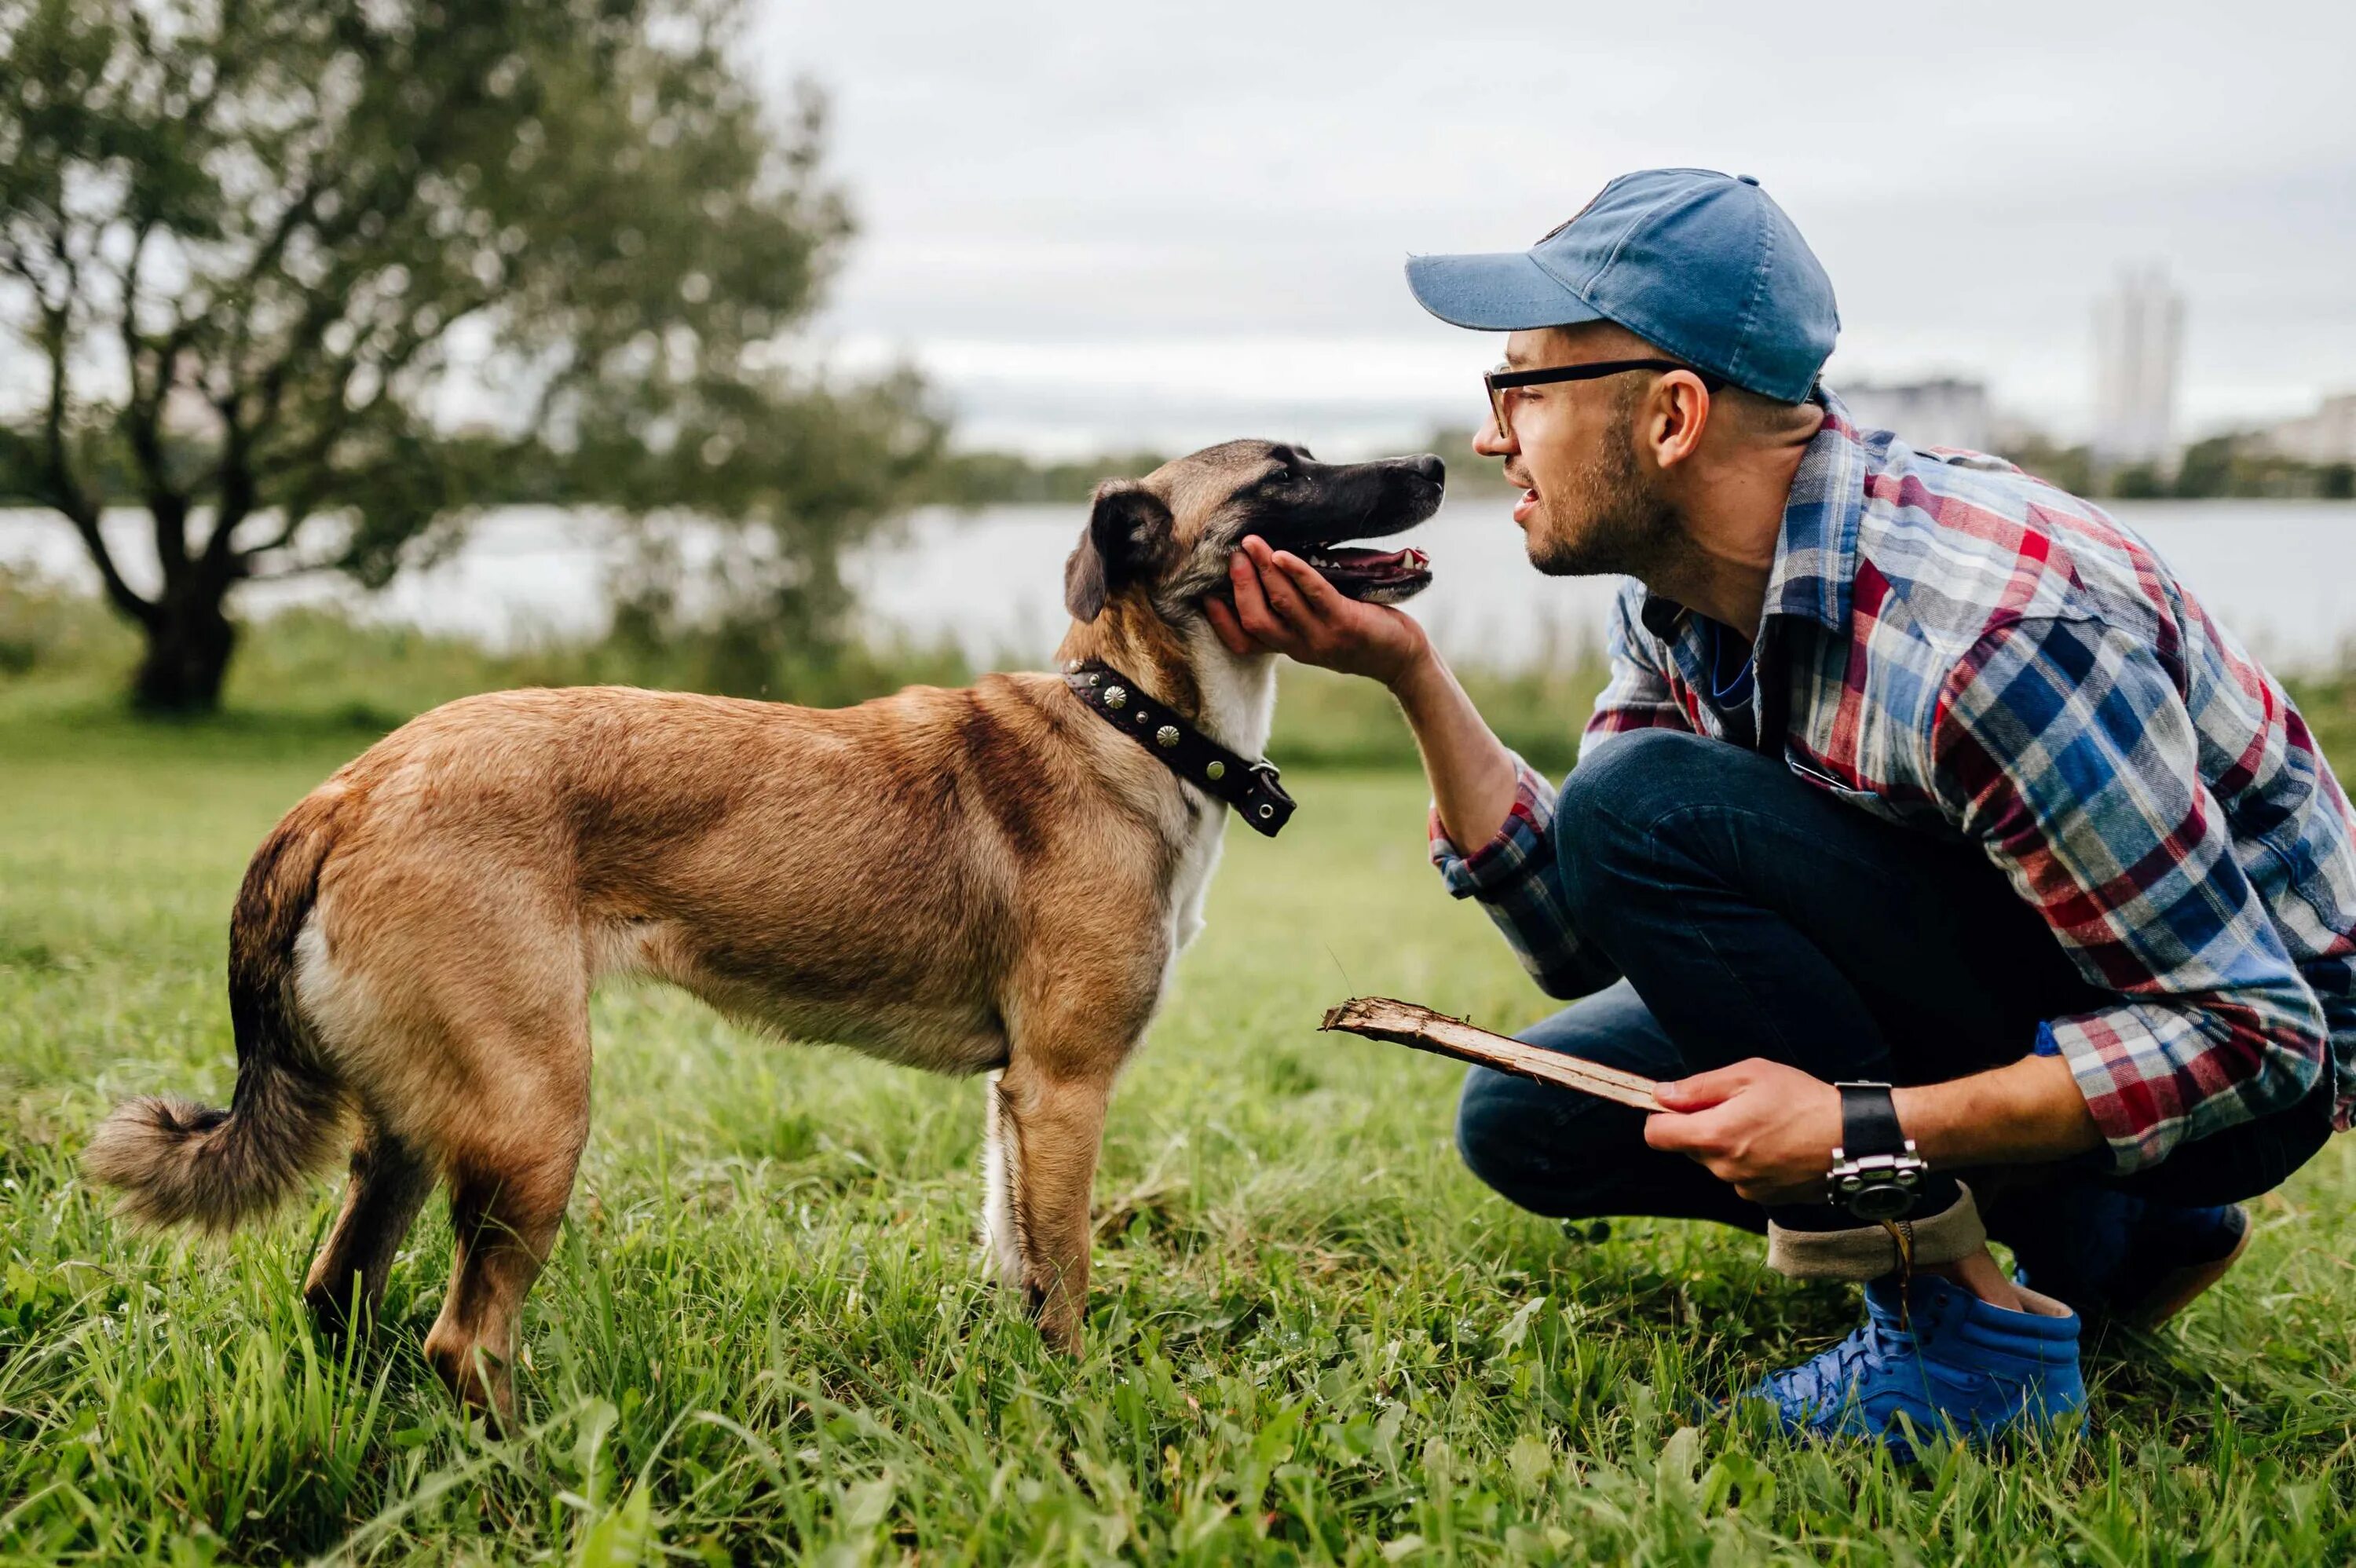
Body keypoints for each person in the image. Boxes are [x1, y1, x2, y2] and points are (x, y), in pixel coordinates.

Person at [1206, 168, 2354, 1456]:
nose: (1492, 436)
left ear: (1672, 416)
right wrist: (1408, 671)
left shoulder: (1988, 637)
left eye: (1520, 387)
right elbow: (1599, 926)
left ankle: (1970, 1335)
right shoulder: (1679, 588)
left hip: (2237, 1060)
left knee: (1637, 800)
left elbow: (2258, 1036)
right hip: (2042, 973)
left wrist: (1865, 1126)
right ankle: (2109, 1233)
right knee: (1532, 1121)